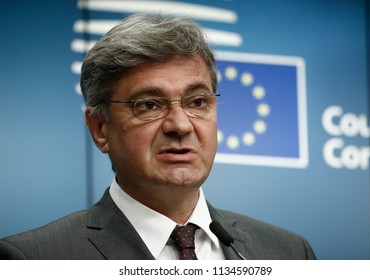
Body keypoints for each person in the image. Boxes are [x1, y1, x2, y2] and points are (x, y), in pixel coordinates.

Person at [0, 13, 316, 260]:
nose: (180, 125)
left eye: (197, 102)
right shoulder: (35, 259)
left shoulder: (289, 253)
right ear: (100, 128)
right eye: (149, 105)